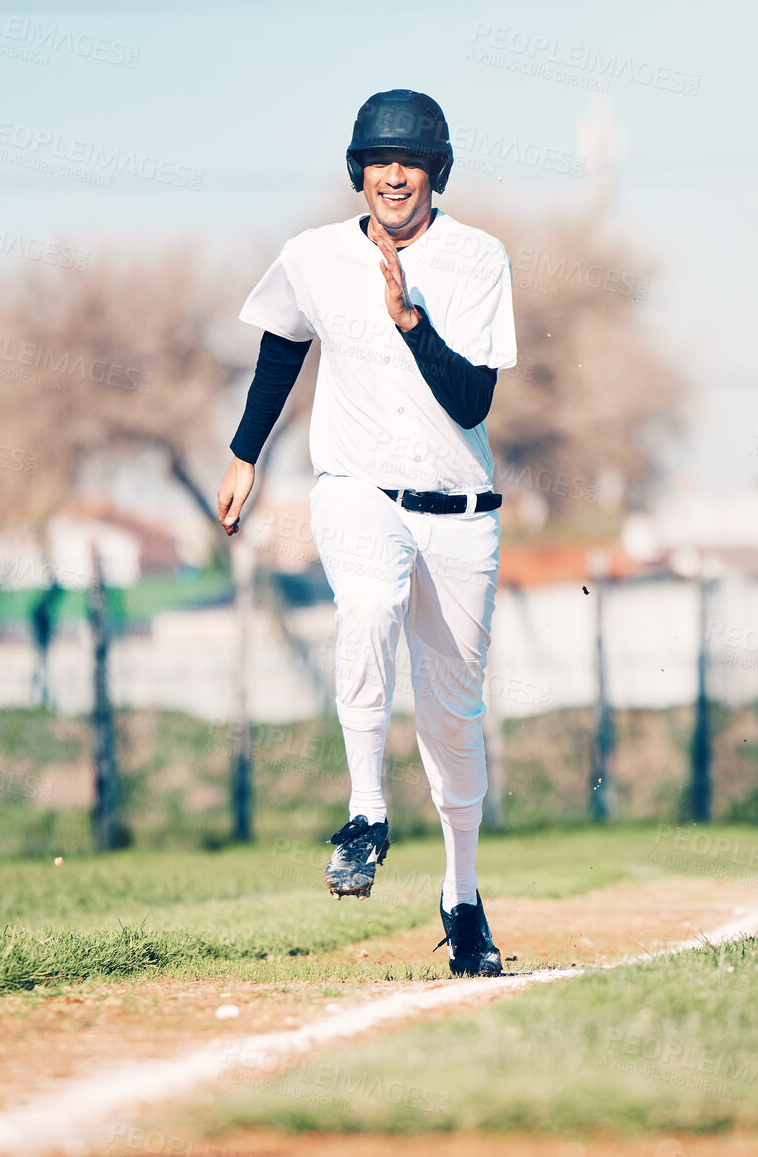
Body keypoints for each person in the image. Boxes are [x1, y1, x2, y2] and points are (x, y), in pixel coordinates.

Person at [215, 89, 517, 977]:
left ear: (436, 172)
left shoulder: (476, 258)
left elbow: (472, 401)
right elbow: (282, 342)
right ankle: (367, 812)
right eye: (380, 159)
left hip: (460, 508)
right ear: (359, 170)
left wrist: (408, 319)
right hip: (354, 489)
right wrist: (244, 455)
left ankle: (461, 898)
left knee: (456, 719)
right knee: (368, 609)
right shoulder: (312, 256)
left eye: (412, 160)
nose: (395, 173)